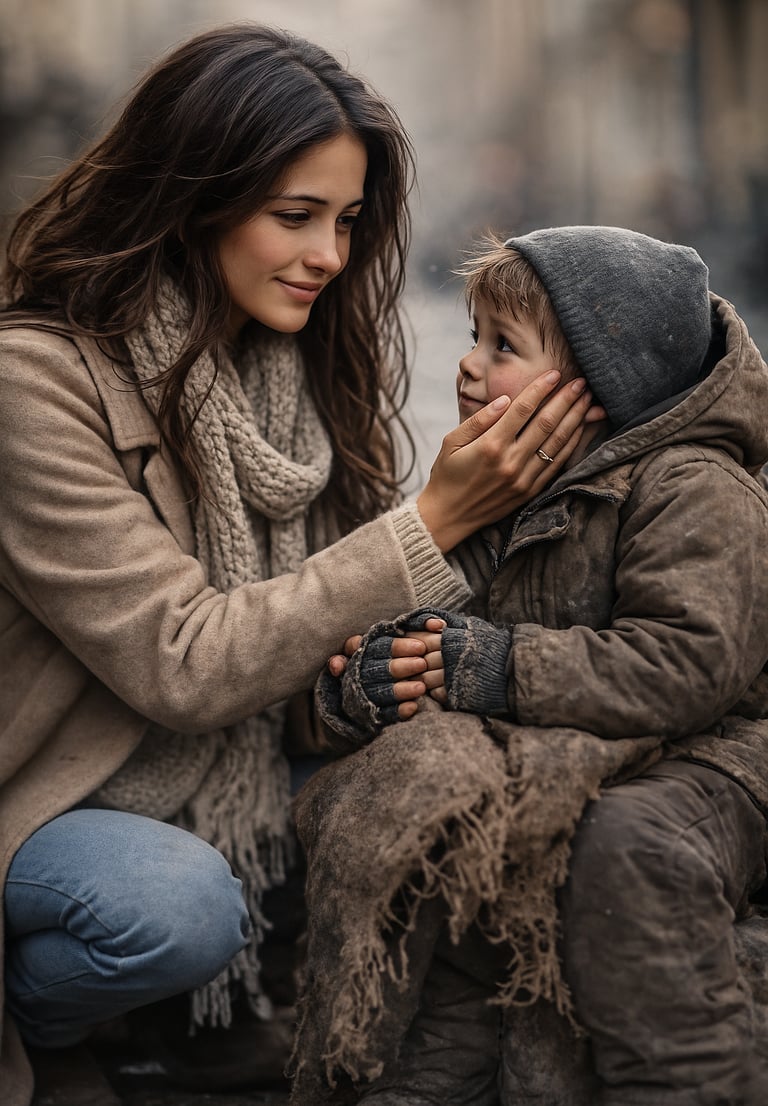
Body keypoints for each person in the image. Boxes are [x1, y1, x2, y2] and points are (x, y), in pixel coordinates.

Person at [0, 25, 604, 1106]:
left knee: (430, 787)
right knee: (175, 909)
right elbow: (184, 661)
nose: (331, 253)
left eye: (347, 220)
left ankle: (198, 1016)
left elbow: (301, 687)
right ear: (192, 197)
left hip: (216, 773)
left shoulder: (294, 375)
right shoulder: (34, 383)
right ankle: (46, 1022)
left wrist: (374, 684)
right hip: (51, 798)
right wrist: (434, 519)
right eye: (295, 216)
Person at [293, 226, 768, 1106]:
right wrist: (373, 676)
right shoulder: (510, 490)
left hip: (715, 757)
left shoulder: (695, 486)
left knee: (630, 845)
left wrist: (494, 666)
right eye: (473, 338)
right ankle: (434, 1066)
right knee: (434, 811)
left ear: (598, 388)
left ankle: (685, 1080)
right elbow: (436, 624)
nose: (470, 367)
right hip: (569, 744)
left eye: (502, 346)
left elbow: (690, 665)